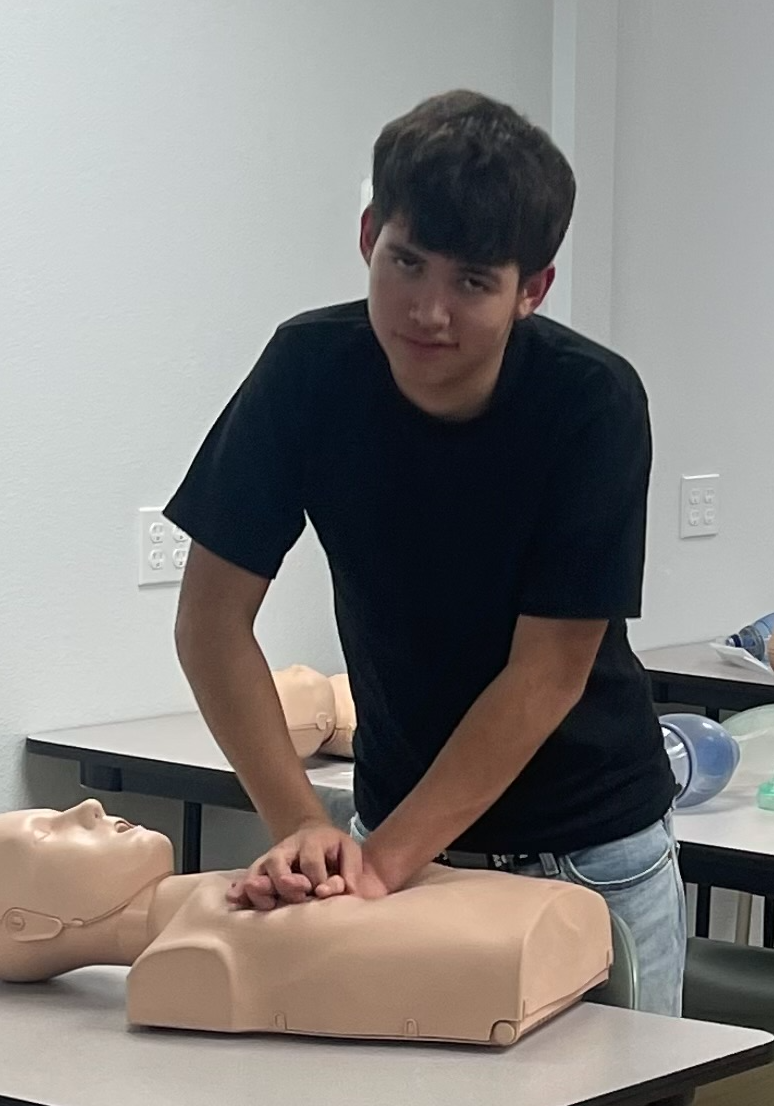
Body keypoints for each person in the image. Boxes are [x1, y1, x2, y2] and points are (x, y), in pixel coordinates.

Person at [164, 90, 685, 1018]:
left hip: (587, 855)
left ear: (532, 289)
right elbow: (210, 619)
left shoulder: (592, 404)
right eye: (407, 262)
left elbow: (546, 676)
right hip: (389, 831)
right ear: (369, 235)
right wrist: (301, 827)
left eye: (474, 282)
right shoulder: (307, 370)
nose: (429, 309)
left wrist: (378, 865)